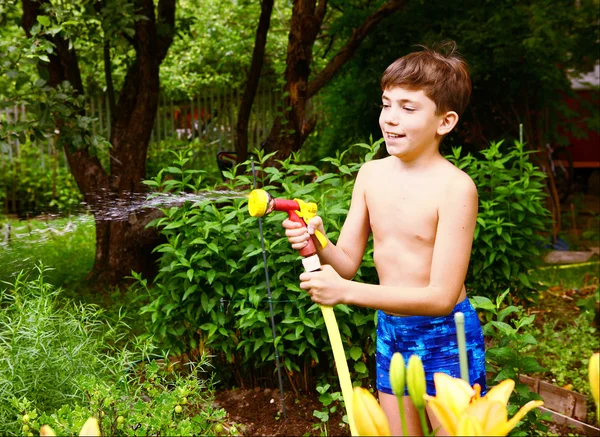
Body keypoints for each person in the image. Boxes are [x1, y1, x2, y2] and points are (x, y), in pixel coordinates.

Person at [282, 41, 486, 436]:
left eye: (408, 108)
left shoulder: (456, 189)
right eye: (386, 103)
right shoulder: (370, 175)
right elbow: (346, 261)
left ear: (444, 122)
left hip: (446, 334)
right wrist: (318, 239)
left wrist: (345, 291)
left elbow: (440, 297)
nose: (391, 118)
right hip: (392, 331)